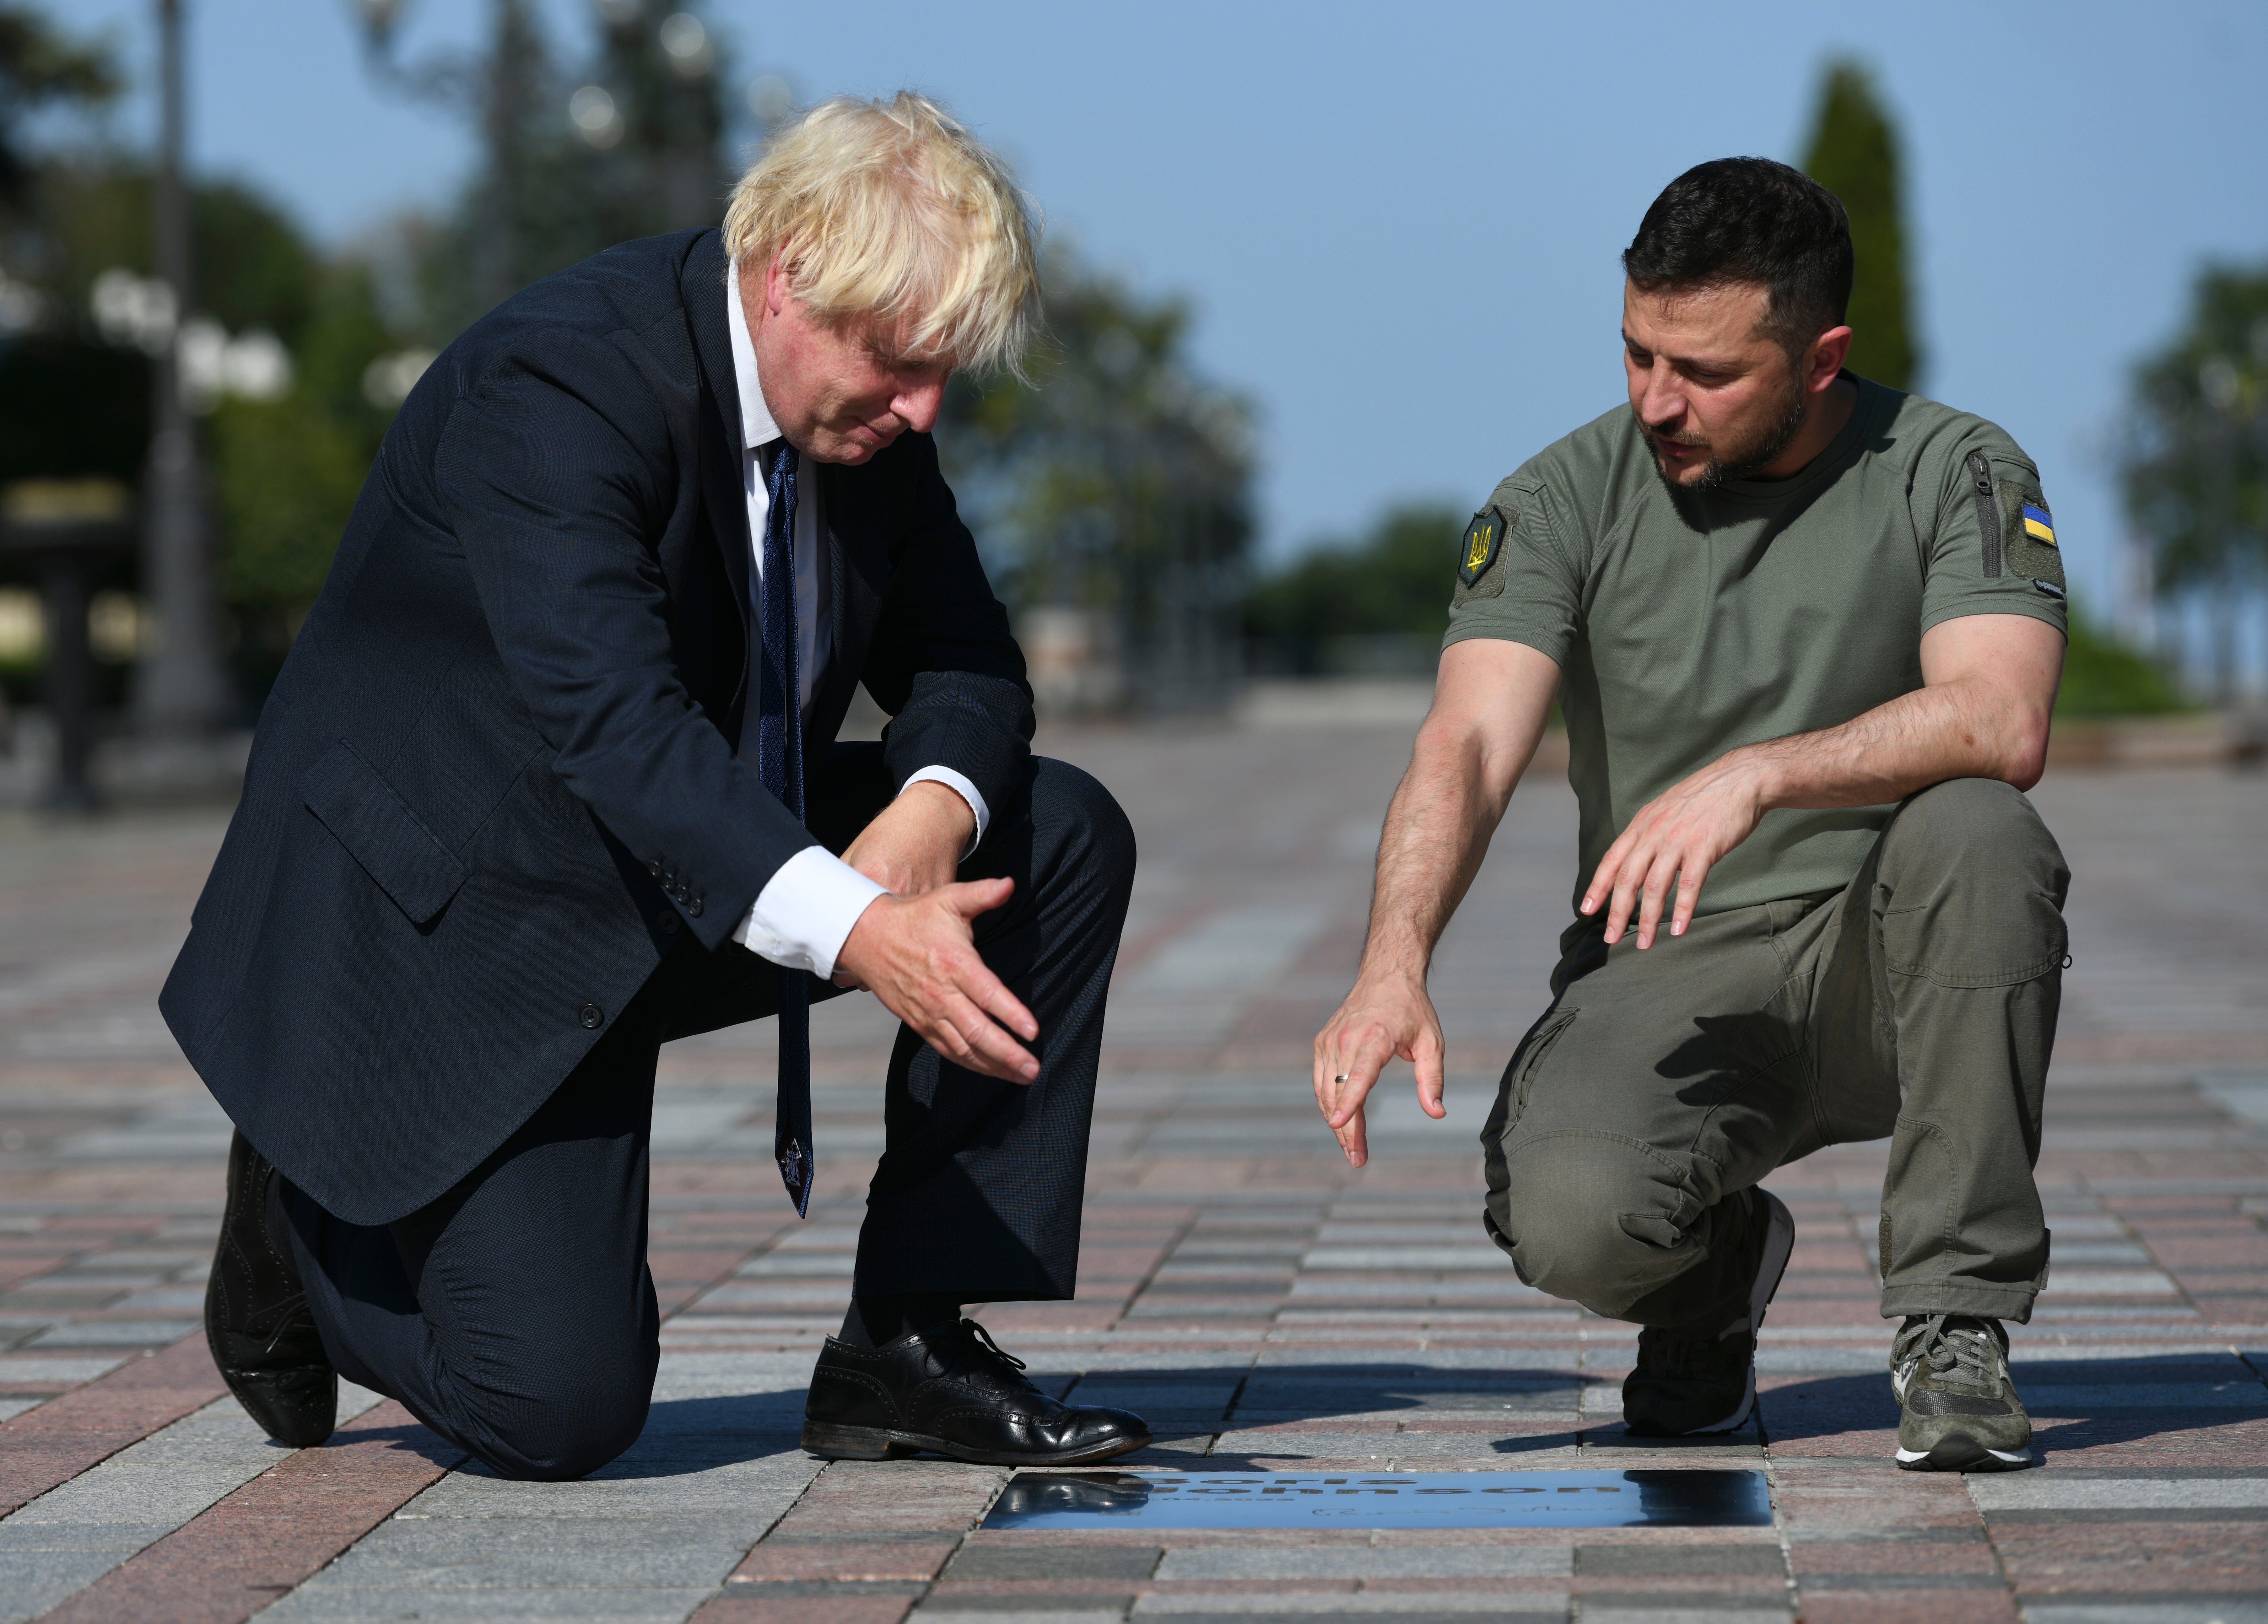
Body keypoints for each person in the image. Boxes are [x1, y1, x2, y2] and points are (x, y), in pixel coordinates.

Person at [164, 93, 1150, 1480]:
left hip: (667, 869)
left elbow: (975, 661)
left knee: (1057, 833)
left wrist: (930, 811)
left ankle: (905, 1344)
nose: (926, 407)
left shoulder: (865, 423)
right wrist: (864, 929)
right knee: (556, 1407)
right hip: (450, 922)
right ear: (788, 273)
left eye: (947, 372)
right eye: (901, 361)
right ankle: (300, 1221)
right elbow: (616, 723)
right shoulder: (561, 386)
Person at [1312, 158, 2070, 1475]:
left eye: (1706, 371)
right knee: (1565, 1217)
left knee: (1985, 832)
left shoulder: (1955, 469)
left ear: (1822, 357)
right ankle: (1712, 1278)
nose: (1660, 399)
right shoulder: (1560, 499)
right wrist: (1393, 960)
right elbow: (1469, 742)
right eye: (1636, 353)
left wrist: (1760, 772)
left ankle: (1955, 1322)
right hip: (1669, 956)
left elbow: (2003, 720)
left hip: (1887, 957)